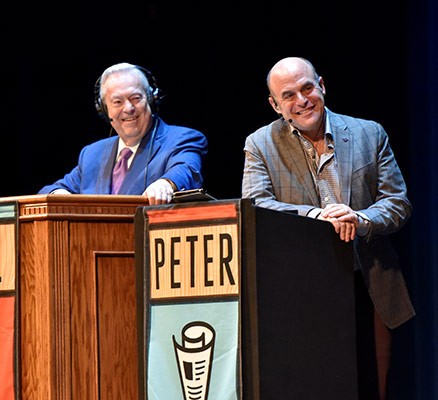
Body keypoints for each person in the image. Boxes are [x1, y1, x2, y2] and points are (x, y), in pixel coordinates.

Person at [241, 56, 415, 399]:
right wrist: (317, 216)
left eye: (307, 88)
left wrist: (361, 219)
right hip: (300, 289)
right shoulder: (260, 144)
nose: (302, 100)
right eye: (288, 95)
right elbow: (256, 205)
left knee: (376, 387)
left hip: (370, 281)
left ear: (322, 85)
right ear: (275, 105)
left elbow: (398, 203)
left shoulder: (370, 133)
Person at [38, 62, 208, 205]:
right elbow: (52, 190)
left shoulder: (183, 139)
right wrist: (59, 196)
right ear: (105, 110)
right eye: (117, 102)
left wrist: (167, 183)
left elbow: (186, 169)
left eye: (136, 98)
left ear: (151, 99)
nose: (128, 109)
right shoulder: (92, 154)